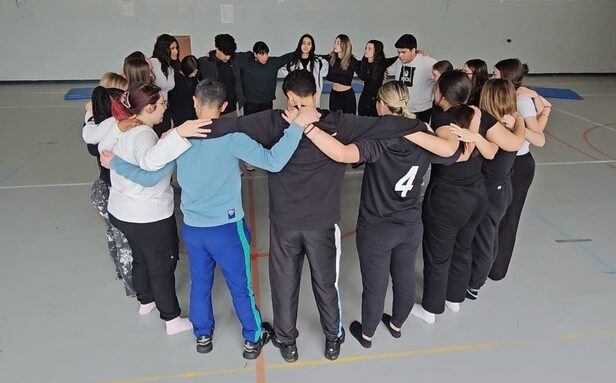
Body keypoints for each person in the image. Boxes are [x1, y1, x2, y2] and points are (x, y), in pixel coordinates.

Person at [200, 70, 426, 363]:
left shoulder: (270, 121)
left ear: (289, 97)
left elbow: (222, 127)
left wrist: (179, 132)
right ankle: (333, 339)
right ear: (317, 94)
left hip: (285, 225)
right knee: (326, 284)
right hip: (323, 225)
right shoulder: (341, 122)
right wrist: (425, 127)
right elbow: (395, 126)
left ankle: (287, 342)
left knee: (283, 285)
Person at [103, 78, 319, 359]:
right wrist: (296, 128)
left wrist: (115, 163)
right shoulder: (233, 139)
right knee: (241, 286)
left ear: (194, 101)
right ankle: (252, 339)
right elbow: (273, 161)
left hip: (194, 230)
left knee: (200, 283)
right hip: (228, 230)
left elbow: (149, 176)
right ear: (225, 106)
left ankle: (202, 336)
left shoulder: (177, 140)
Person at [296, 81, 459, 348]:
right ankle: (396, 324)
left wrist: (310, 128)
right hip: (409, 224)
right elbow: (453, 153)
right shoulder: (425, 136)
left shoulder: (379, 138)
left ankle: (367, 333)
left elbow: (344, 153)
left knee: (375, 284)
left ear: (381, 104)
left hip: (377, 227)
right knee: (404, 277)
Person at [411, 70, 524, 324]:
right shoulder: (478, 114)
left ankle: (430, 309)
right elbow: (505, 147)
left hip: (448, 197)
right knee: (463, 248)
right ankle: (454, 299)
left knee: (438, 254)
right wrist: (518, 120)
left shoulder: (441, 116)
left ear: (441, 92)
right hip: (477, 195)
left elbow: (453, 152)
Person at [97, 83, 211, 335]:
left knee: (140, 258)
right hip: (148, 216)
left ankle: (145, 301)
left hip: (121, 212)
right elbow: (149, 173)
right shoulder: (144, 135)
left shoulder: (126, 129)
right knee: (161, 265)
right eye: (161, 105)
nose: (164, 109)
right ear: (148, 107)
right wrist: (177, 140)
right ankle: (172, 319)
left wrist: (164, 141)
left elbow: (116, 153)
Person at [466, 78, 527, 300]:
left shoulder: (495, 126)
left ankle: (474, 283)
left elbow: (512, 144)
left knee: (485, 236)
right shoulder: (508, 125)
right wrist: (519, 120)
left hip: (492, 190)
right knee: (489, 233)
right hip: (501, 187)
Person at [490, 58, 550, 282]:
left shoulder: (521, 101)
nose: (492, 77)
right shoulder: (504, 95)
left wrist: (516, 125)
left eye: (495, 74)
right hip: (504, 160)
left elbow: (539, 139)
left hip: (519, 165)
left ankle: (498, 269)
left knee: (509, 217)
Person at [387, 34, 437, 122]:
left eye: (403, 52)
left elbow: (443, 78)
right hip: (401, 108)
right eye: (398, 52)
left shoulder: (428, 63)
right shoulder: (398, 61)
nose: (400, 55)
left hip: (421, 110)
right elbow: (388, 71)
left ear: (413, 50)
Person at [240, 41, 294, 115]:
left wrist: (301, 50)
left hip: (267, 103)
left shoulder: (273, 62)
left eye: (266, 53)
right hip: (251, 103)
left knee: (267, 124)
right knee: (250, 124)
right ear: (255, 54)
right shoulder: (246, 64)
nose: (265, 57)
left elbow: (286, 57)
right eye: (261, 54)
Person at [197, 34, 243, 118]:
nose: (228, 57)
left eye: (230, 54)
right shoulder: (205, 62)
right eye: (225, 54)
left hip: (231, 109)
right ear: (217, 49)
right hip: (214, 109)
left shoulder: (234, 60)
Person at [279, 34, 329, 107]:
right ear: (300, 44)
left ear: (312, 47)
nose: (306, 46)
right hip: (296, 98)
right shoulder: (292, 61)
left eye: (309, 44)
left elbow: (325, 71)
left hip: (313, 99)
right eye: (303, 43)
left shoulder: (319, 62)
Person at [151, 34, 180, 137]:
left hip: (166, 107)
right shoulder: (153, 63)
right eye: (172, 48)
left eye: (176, 48)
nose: (176, 51)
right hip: (154, 107)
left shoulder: (171, 67)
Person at [323, 34, 359, 114]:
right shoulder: (331, 58)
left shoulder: (352, 61)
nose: (335, 45)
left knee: (349, 120)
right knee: (334, 120)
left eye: (338, 43)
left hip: (347, 96)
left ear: (344, 45)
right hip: (334, 94)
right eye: (335, 42)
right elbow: (318, 58)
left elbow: (363, 73)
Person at [356, 40, 388, 117]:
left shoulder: (381, 65)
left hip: (376, 99)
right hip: (364, 98)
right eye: (366, 48)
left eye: (369, 48)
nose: (366, 50)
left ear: (376, 51)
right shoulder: (363, 64)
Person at [168, 55, 199, 126]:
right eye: (192, 72)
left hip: (192, 112)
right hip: (180, 114)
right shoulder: (175, 79)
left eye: (196, 72)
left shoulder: (193, 78)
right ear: (186, 69)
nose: (194, 75)